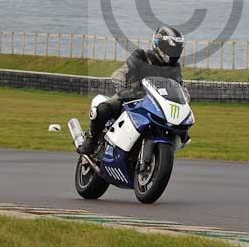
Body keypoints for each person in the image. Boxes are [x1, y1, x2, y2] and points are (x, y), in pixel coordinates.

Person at [77, 25, 185, 155]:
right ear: (159, 45)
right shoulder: (141, 56)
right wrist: (126, 89)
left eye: (176, 50)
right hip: (131, 97)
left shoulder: (175, 67)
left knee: (182, 129)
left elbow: (180, 88)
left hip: (156, 104)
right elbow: (119, 74)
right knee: (103, 109)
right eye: (171, 49)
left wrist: (183, 99)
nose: (174, 54)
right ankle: (92, 141)